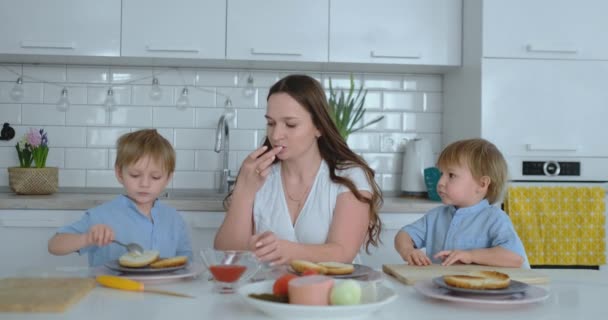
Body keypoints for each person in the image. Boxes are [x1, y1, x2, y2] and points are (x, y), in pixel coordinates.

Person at [214, 74, 383, 265]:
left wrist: (288, 250)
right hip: (269, 290)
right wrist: (244, 191)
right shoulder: (259, 177)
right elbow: (226, 254)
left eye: (290, 124)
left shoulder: (349, 177)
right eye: (271, 123)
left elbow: (343, 252)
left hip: (333, 291)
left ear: (319, 127)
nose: (276, 135)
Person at [48, 129, 192, 266]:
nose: (144, 184)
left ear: (168, 178)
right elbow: (54, 245)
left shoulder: (174, 219)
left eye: (155, 177)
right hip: (110, 292)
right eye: (135, 175)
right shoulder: (101, 216)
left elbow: (186, 262)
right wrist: (86, 238)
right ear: (119, 173)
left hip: (163, 291)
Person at [394, 138, 529, 268]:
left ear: (482, 184)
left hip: (481, 290)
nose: (440, 182)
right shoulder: (435, 217)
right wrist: (408, 251)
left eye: (451, 175)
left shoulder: (495, 219)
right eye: (441, 173)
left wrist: (471, 255)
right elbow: (404, 234)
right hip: (440, 289)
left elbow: (515, 257)